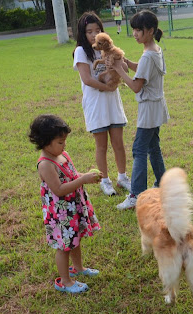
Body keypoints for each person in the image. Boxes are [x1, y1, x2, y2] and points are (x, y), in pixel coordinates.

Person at [30, 114, 101, 294]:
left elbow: (73, 175)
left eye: (64, 141)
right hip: (60, 213)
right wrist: (83, 179)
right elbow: (59, 189)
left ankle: (78, 268)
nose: (64, 145)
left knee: (75, 239)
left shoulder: (63, 155)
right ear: (45, 143)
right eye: (60, 142)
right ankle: (65, 281)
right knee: (64, 246)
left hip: (73, 207)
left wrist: (86, 177)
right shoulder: (45, 164)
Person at [113, 10, 169, 211]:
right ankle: (162, 184)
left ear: (150, 31)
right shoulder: (155, 49)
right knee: (153, 147)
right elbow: (144, 71)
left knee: (139, 150)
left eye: (139, 30)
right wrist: (127, 63)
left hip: (148, 109)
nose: (135, 34)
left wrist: (120, 70)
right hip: (156, 106)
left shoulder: (148, 55)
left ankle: (136, 194)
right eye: (134, 30)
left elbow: (137, 86)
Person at [73, 11, 131, 197]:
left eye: (97, 30)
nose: (94, 34)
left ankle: (122, 177)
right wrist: (108, 88)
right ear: (83, 33)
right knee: (101, 146)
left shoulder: (107, 48)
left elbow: (122, 67)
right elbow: (87, 79)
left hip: (112, 103)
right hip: (95, 104)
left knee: (118, 143)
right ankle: (104, 180)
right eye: (89, 31)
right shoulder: (81, 51)